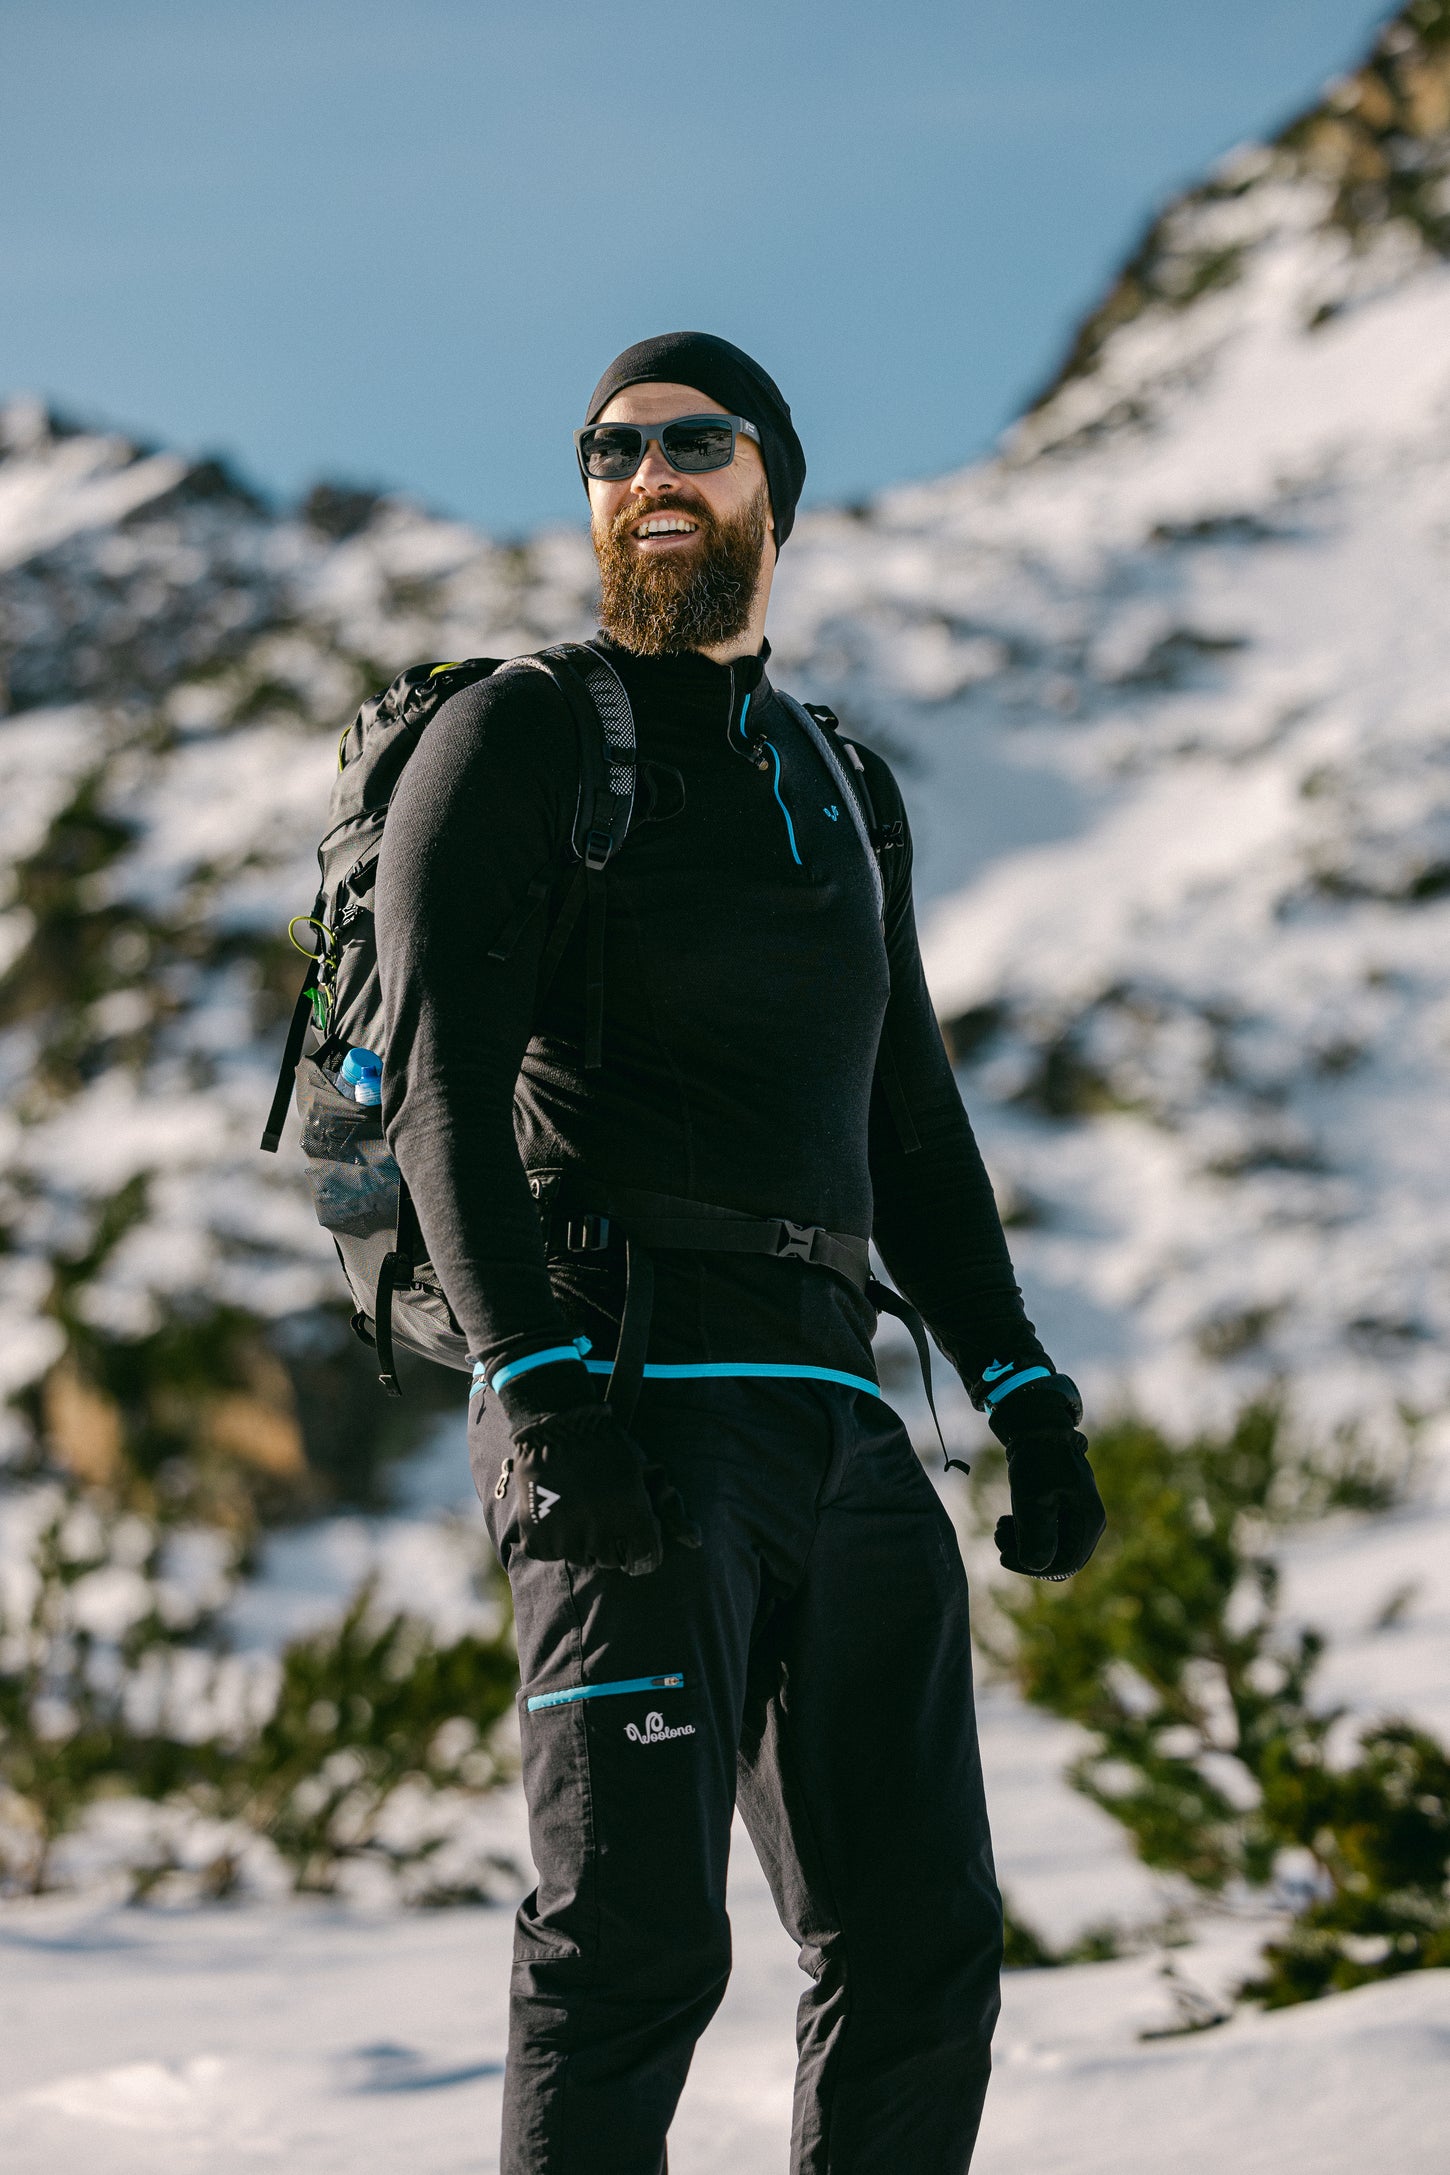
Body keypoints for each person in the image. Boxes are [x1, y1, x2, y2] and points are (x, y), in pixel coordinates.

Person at [375, 331, 1104, 2175]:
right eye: (610, 452)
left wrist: (1024, 1388)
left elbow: (908, 1122)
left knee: (919, 1946)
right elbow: (440, 1099)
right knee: (628, 1947)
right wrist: (541, 1398)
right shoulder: (517, 732)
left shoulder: (841, 779)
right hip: (620, 1397)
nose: (649, 477)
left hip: (838, 1424)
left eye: (692, 442)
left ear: (772, 475)